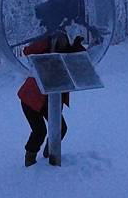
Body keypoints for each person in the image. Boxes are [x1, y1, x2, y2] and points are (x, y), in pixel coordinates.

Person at [17, 31, 85, 167]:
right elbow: (28, 51)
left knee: (61, 128)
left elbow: (79, 59)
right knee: (39, 131)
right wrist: (45, 40)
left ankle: (50, 151)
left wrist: (78, 47)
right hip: (31, 99)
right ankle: (29, 159)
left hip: (51, 99)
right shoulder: (44, 51)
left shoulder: (66, 52)